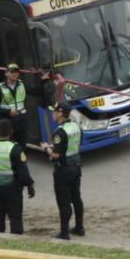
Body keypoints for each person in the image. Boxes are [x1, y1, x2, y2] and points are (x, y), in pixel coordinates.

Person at [0, 117, 34, 235]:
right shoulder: (14, 148)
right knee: (15, 219)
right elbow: (23, 172)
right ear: (11, 132)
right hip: (12, 190)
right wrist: (30, 185)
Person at [48, 102, 86, 240]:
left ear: (60, 113)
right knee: (76, 198)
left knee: (63, 202)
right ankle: (79, 227)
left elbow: (56, 155)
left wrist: (47, 149)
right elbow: (75, 144)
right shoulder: (76, 126)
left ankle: (64, 232)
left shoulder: (60, 131)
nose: (53, 114)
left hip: (63, 170)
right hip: (76, 167)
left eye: (54, 111)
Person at [0, 62, 29, 146]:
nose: (15, 74)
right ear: (6, 73)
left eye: (16, 72)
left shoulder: (22, 84)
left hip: (21, 122)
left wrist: (44, 81)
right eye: (12, 72)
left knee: (22, 146)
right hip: (7, 122)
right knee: (7, 146)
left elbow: (35, 91)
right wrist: (8, 111)